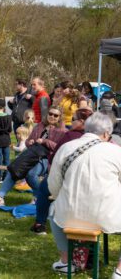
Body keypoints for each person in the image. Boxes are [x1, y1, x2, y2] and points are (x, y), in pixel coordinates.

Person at [47, 112, 121, 277]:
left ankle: (66, 262)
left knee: (53, 209)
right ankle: (119, 271)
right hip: (107, 215)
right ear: (106, 134)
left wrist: (67, 198)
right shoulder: (116, 151)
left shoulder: (66, 147)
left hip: (69, 215)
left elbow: (53, 186)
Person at [30, 107, 93, 235]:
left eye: (73, 119)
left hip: (69, 177)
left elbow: (55, 157)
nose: (71, 122)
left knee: (43, 189)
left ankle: (40, 223)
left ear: (81, 121)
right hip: (91, 179)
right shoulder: (100, 137)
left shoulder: (70, 135)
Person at [0, 106, 66, 207]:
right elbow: (28, 142)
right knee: (13, 169)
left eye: (56, 115)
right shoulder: (39, 126)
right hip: (31, 155)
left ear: (59, 117)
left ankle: (39, 197)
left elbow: (60, 148)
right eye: (50, 114)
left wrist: (45, 141)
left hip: (47, 158)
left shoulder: (62, 131)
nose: (52, 117)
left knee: (31, 174)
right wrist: (30, 142)